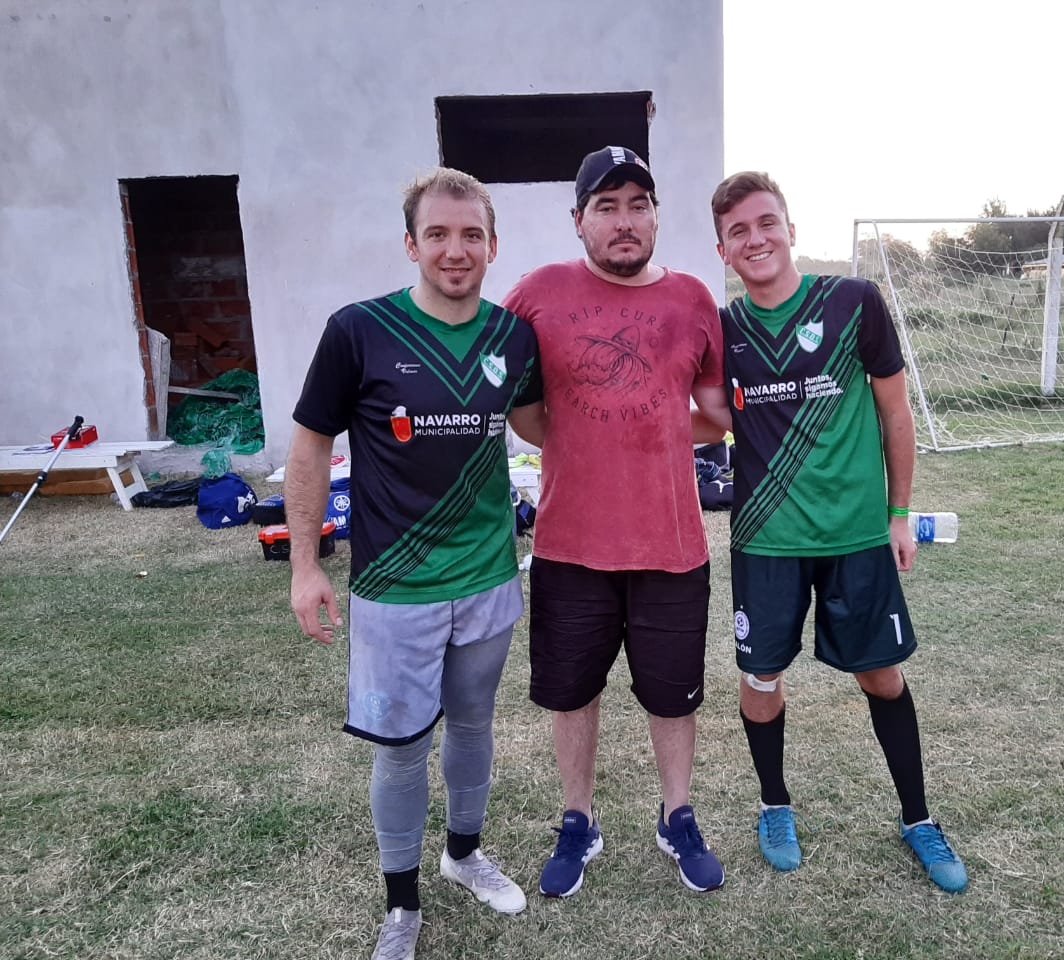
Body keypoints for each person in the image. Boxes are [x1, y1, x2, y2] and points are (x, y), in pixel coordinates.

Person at [286, 168, 544, 960]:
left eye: (471, 235)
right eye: (438, 234)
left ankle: (464, 855)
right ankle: (401, 905)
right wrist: (305, 565)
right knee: (401, 748)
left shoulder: (512, 338)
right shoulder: (358, 331)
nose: (455, 250)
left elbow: (543, 427)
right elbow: (310, 447)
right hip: (395, 588)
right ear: (410, 244)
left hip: (489, 577)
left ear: (493, 246)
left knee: (472, 723)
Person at [705, 171, 968, 893]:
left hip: (855, 537)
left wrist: (898, 515)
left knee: (880, 675)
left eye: (766, 223)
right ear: (723, 250)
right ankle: (774, 806)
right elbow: (706, 415)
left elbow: (894, 413)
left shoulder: (853, 302)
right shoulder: (724, 330)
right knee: (761, 677)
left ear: (791, 229)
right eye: (737, 232)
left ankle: (918, 818)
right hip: (766, 539)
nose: (755, 239)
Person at [502, 146, 727, 897]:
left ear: (657, 216)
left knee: (672, 695)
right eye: (607, 207)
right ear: (579, 220)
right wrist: (581, 437)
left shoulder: (693, 299)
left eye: (638, 205)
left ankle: (677, 815)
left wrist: (655, 427)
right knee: (572, 692)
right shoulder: (538, 293)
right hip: (571, 544)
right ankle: (578, 819)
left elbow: (716, 413)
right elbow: (522, 408)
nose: (624, 221)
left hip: (671, 544)